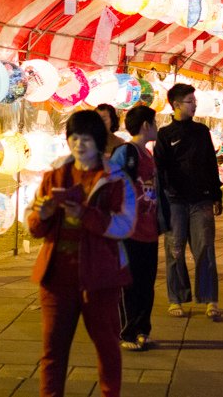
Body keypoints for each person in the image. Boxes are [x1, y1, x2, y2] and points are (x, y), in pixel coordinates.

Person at [28, 110, 134, 397]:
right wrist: (44, 214)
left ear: (98, 141)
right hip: (56, 277)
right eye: (73, 138)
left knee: (107, 346)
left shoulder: (114, 178)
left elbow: (125, 224)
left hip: (100, 276)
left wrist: (86, 214)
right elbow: (34, 226)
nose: (78, 145)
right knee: (53, 350)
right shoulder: (55, 176)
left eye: (85, 139)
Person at [155, 83, 223, 320]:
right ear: (175, 105)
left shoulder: (202, 131)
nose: (194, 105)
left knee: (205, 248)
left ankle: (209, 298)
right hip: (174, 201)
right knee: (174, 250)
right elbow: (159, 169)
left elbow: (210, 164)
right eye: (190, 101)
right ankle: (176, 298)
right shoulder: (164, 135)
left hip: (201, 199)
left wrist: (216, 194)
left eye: (194, 101)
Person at [111, 105, 167, 353]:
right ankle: (128, 332)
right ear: (146, 125)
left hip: (149, 229)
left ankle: (143, 329)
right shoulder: (126, 152)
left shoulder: (147, 154)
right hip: (129, 231)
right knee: (130, 284)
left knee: (146, 283)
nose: (156, 127)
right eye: (154, 123)